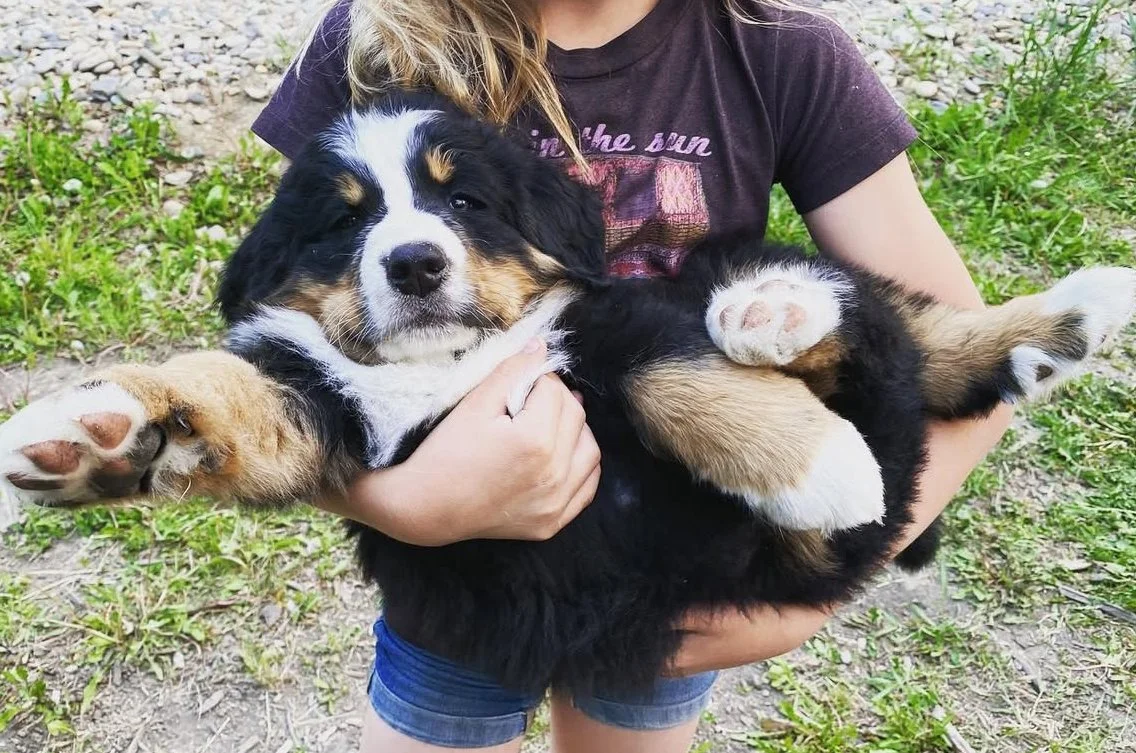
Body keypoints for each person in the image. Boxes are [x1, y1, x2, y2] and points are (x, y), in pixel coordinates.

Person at [251, 1, 1013, 750]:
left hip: (674, 561)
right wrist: (408, 505)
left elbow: (963, 364)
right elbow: (286, 339)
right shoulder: (377, 37)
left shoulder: (781, 54)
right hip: (455, 590)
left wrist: (832, 578)